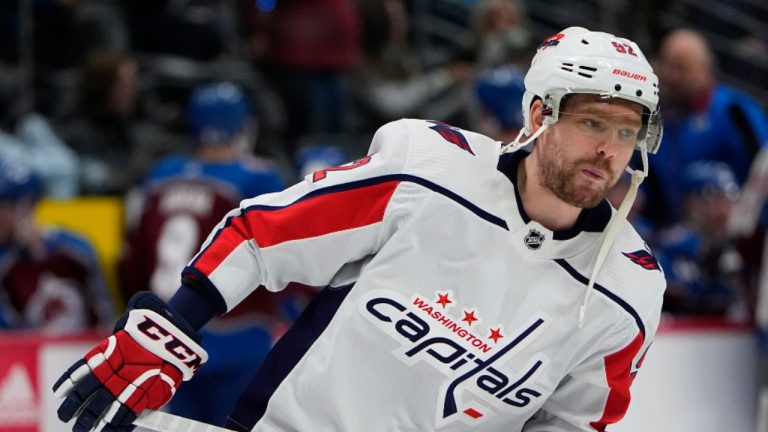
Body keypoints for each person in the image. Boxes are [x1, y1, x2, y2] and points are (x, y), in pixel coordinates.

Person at [53, 27, 666, 431]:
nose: (609, 149)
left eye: (625, 131)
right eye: (592, 122)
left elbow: (575, 424)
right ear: (539, 114)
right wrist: (171, 324)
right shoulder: (427, 170)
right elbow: (264, 233)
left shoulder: (628, 289)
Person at [117, 82, 309, 425]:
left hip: (169, 334)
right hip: (238, 334)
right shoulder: (256, 179)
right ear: (241, 126)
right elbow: (288, 255)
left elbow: (131, 260)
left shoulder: (161, 175)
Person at [643, 28, 768, 228]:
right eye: (668, 65)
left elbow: (762, 168)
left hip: (735, 234)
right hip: (671, 236)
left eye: (682, 68)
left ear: (704, 70)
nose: (672, 76)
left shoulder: (733, 111)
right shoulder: (652, 115)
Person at [0, 158, 114, 332]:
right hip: (24, 355)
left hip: (82, 351)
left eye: (2, 207)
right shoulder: (6, 263)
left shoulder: (73, 251)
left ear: (25, 207)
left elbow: (103, 317)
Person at [656, 161, 753, 321]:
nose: (723, 209)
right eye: (712, 198)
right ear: (690, 204)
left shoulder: (741, 247)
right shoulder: (671, 248)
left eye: (729, 198)